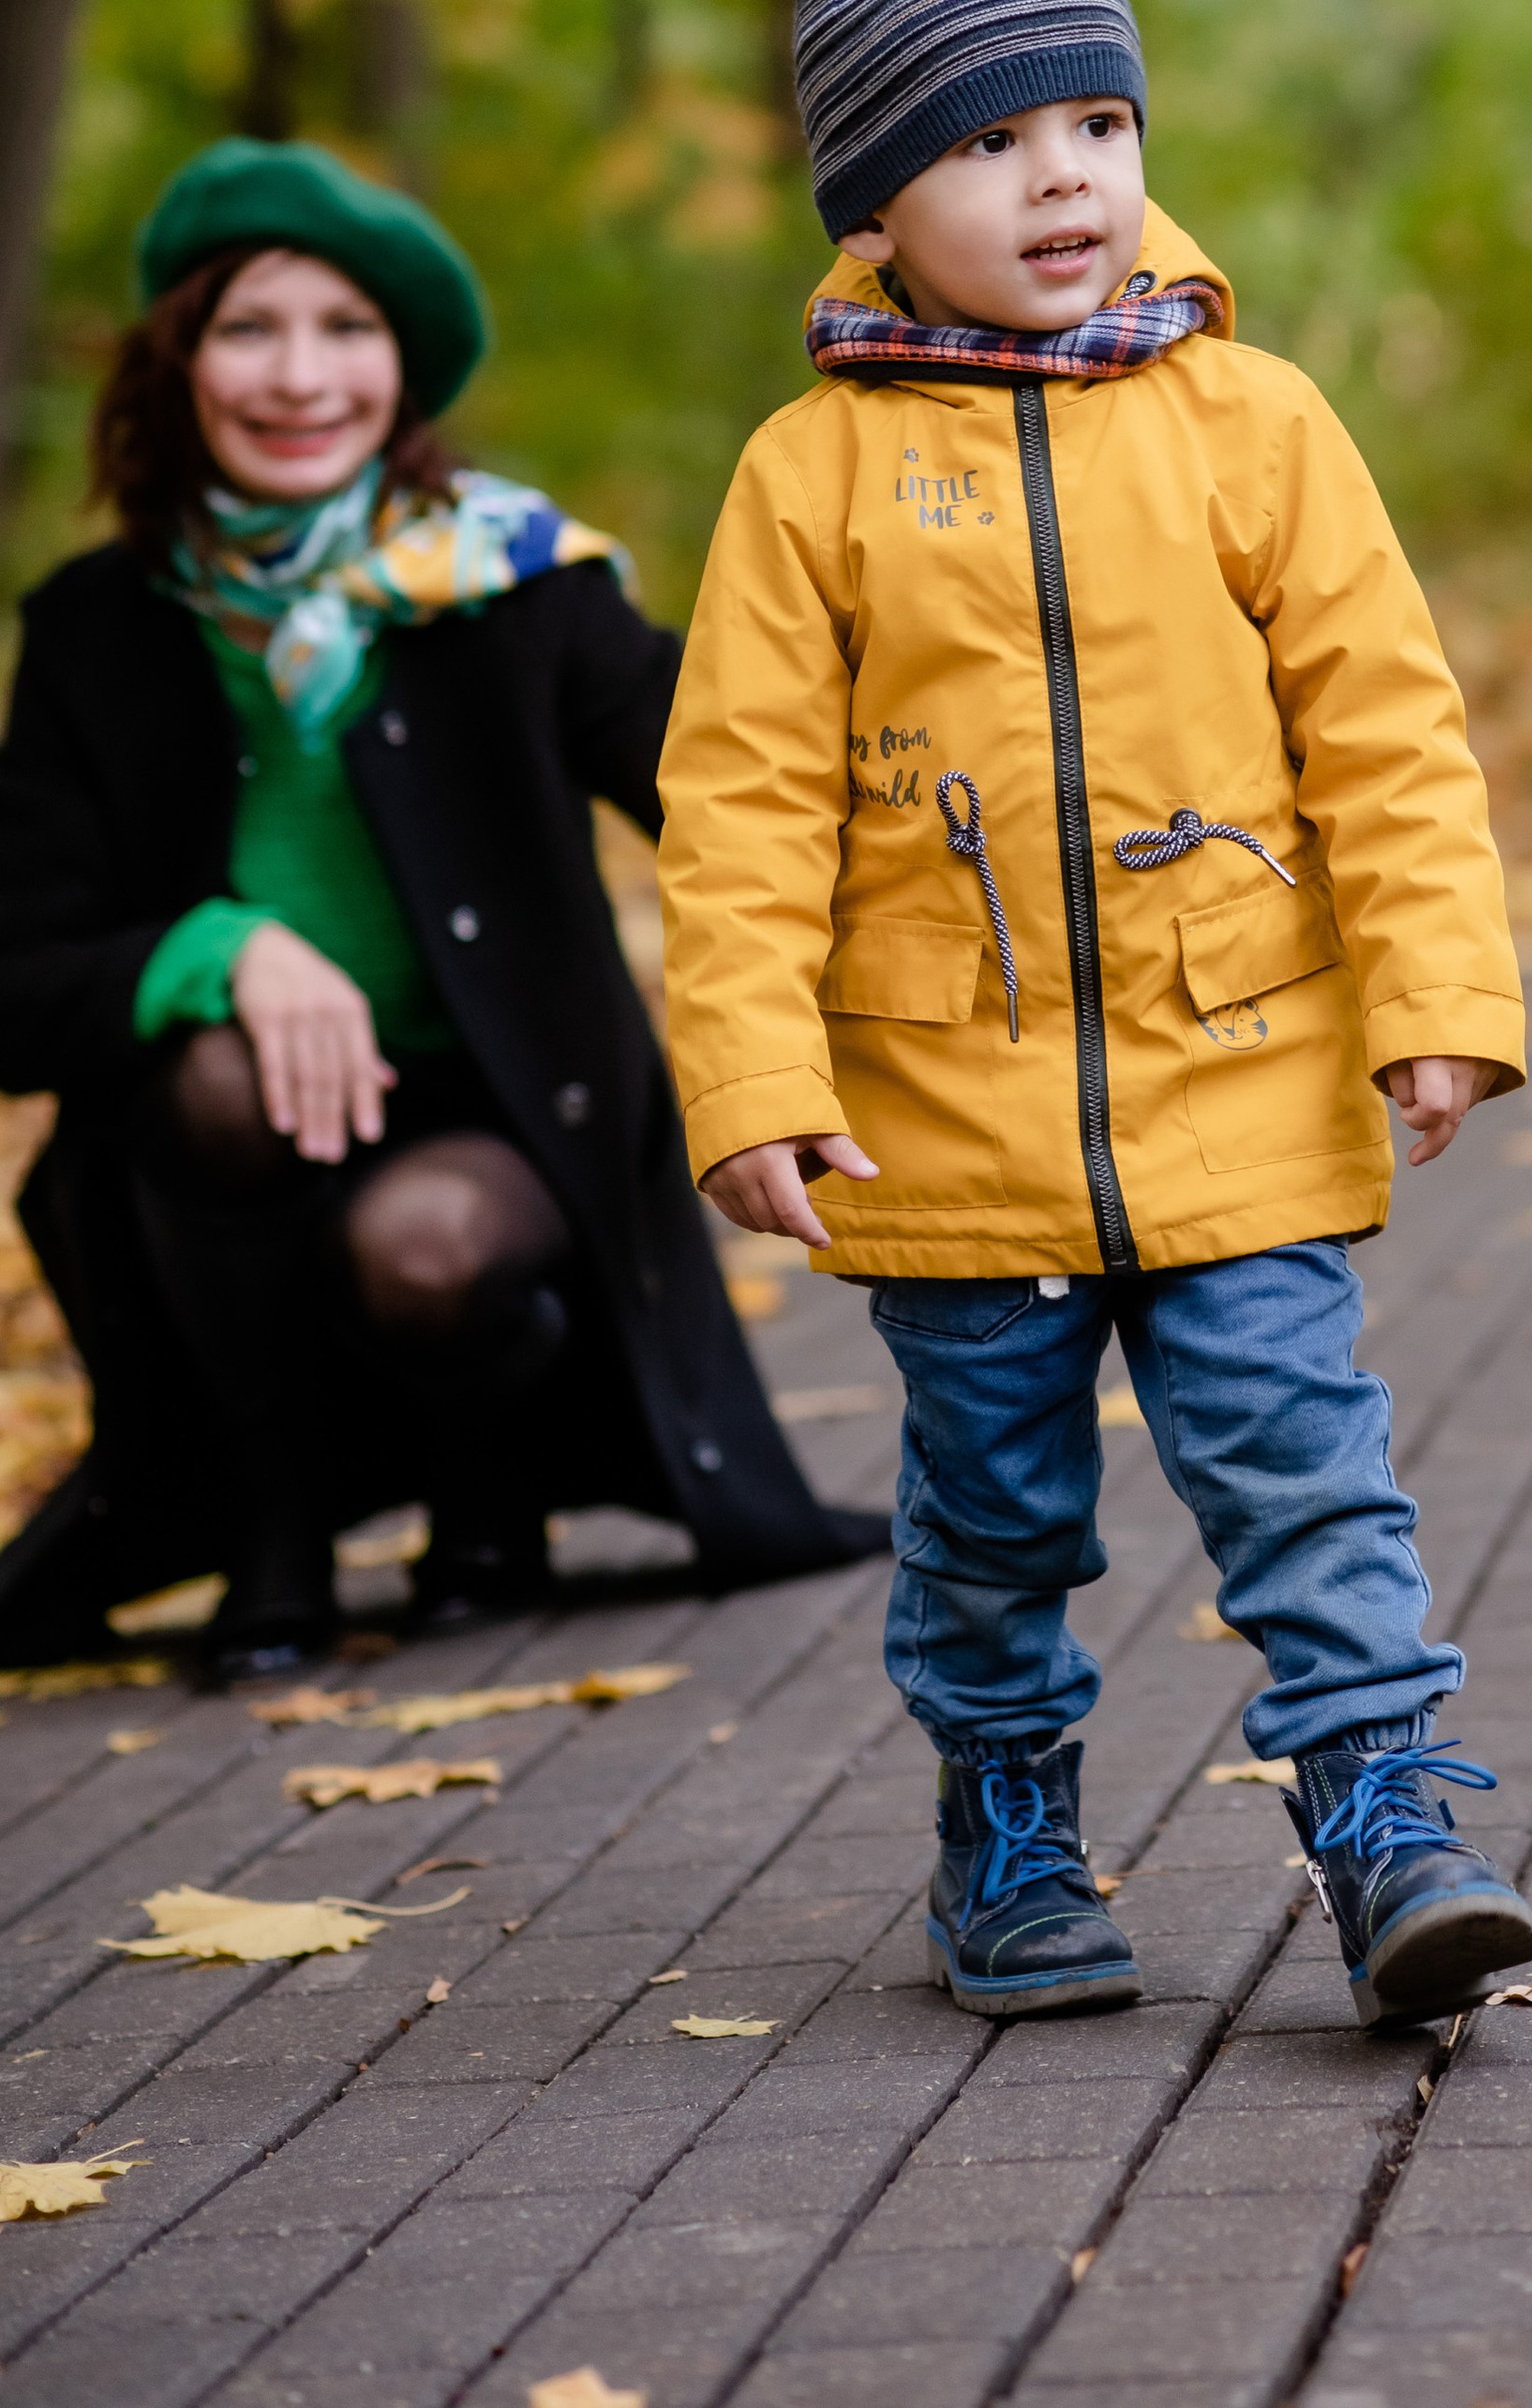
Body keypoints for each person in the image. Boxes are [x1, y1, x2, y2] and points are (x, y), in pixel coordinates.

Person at [659, 0, 1532, 2029]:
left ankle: (1386, 1816)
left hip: (1232, 1076)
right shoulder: (811, 480)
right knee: (989, 1523)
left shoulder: (1253, 425)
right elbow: (745, 808)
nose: (1059, 175)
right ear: (872, 201)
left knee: (1305, 1477)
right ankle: (1009, 1827)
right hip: (942, 1134)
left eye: (1094, 118)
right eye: (986, 140)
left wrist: (1434, 997)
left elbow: (1387, 734)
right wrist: (752, 1079)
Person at [0, 139, 883, 1685]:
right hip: (227, 1148)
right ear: (181, 361)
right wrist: (224, 950)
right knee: (210, 1075)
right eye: (250, 328)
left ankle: (495, 1490)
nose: (300, 376)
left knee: (426, 1251)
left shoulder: (503, 576)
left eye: (347, 331)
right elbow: (19, 975)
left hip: (500, 1121)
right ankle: (275, 1540)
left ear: (400, 373)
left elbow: (732, 782)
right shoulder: (94, 626)